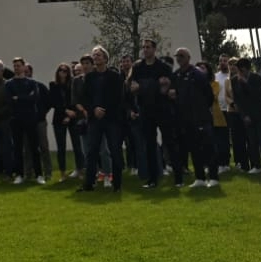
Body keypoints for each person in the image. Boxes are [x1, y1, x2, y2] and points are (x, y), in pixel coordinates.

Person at [77, 47, 125, 191]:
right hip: (94, 119)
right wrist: (93, 109)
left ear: (105, 58)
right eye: (94, 55)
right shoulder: (90, 77)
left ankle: (117, 184)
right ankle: (89, 183)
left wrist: (105, 110)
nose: (96, 57)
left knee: (114, 150)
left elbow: (118, 98)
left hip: (111, 119)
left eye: (99, 55)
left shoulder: (114, 76)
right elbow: (85, 98)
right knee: (92, 151)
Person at [171, 49, 218, 187]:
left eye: (182, 56)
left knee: (208, 148)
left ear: (188, 57)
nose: (179, 59)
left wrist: (201, 109)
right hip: (185, 118)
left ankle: (214, 177)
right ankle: (200, 178)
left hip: (201, 117)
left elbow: (208, 95)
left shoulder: (197, 74)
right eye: (177, 56)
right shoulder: (177, 75)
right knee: (194, 148)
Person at [127, 41, 171, 188]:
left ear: (154, 49)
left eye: (148, 47)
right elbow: (132, 85)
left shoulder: (162, 66)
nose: (145, 50)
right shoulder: (138, 67)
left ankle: (178, 176)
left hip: (162, 109)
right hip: (145, 109)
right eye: (143, 47)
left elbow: (166, 85)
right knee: (150, 145)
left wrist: (145, 85)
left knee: (169, 141)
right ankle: (153, 179)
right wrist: (140, 87)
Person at [5, 59, 46, 184]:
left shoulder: (32, 83)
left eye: (19, 66)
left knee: (35, 147)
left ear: (24, 67)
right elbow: (9, 100)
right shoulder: (9, 84)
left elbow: (34, 98)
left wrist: (18, 98)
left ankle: (39, 174)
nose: (16, 68)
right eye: (15, 66)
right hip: (15, 119)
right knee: (17, 148)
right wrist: (25, 98)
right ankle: (19, 174)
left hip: (30, 118)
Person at [230, 58, 261, 175]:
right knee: (252, 142)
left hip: (259, 113)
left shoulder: (256, 78)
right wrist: (243, 115)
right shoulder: (234, 80)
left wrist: (245, 83)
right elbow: (237, 99)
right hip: (246, 115)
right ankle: (257, 165)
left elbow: (257, 95)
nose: (240, 72)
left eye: (242, 69)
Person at [49, 62, 80, 182]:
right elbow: (54, 102)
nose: (63, 73)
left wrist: (70, 114)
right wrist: (65, 111)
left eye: (65, 71)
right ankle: (62, 173)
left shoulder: (71, 84)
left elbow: (73, 100)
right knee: (61, 147)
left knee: (77, 146)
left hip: (72, 117)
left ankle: (80, 170)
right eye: (61, 70)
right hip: (59, 118)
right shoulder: (53, 85)